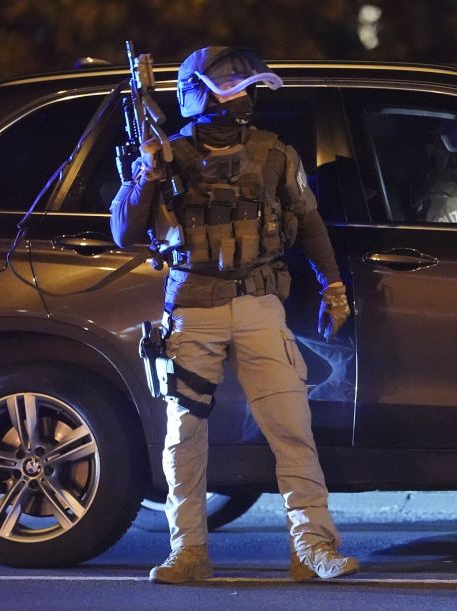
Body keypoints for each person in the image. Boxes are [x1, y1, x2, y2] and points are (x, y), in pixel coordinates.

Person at [110, 46, 358, 584]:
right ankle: (189, 551)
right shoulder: (165, 155)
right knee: (184, 437)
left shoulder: (274, 154)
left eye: (247, 90)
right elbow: (124, 231)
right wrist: (148, 175)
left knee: (292, 427)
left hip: (259, 304)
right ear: (201, 96)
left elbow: (309, 224)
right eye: (232, 91)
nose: (244, 100)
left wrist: (332, 286)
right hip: (193, 309)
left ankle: (312, 546)